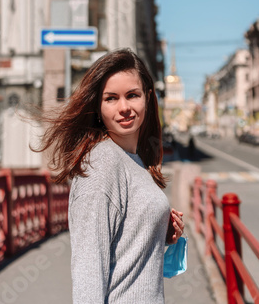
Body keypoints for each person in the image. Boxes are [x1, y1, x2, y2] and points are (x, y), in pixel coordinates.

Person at [35, 48, 184, 303]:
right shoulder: (102, 164)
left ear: (147, 97)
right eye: (111, 98)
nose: (124, 107)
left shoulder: (134, 160)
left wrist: (159, 231)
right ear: (98, 106)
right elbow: (88, 273)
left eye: (132, 95)